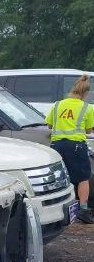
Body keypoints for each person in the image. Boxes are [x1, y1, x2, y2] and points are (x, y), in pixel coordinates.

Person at [44, 74, 94, 224]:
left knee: (59, 177)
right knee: (83, 178)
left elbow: (49, 125)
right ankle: (83, 210)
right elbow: (88, 130)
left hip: (57, 145)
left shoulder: (57, 105)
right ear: (85, 93)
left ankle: (56, 207)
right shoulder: (87, 108)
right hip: (76, 146)